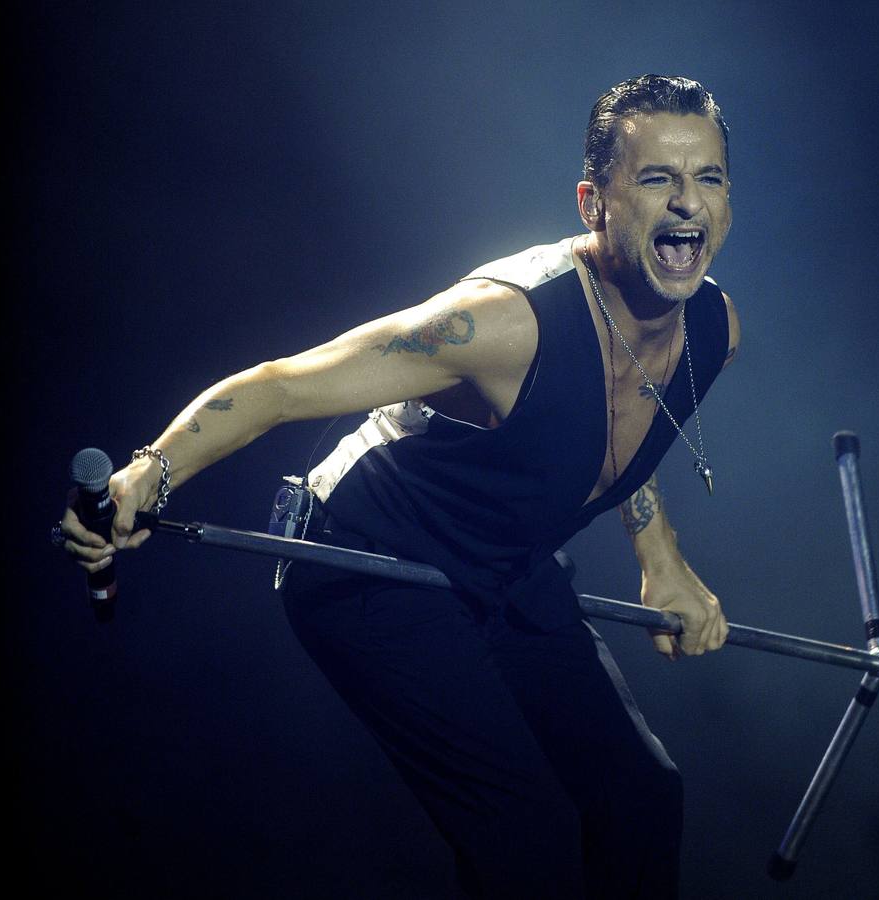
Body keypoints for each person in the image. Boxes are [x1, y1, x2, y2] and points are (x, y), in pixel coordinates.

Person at [57, 74, 740, 898]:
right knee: (524, 842)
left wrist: (658, 555)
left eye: (706, 177)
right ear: (594, 202)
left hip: (502, 562)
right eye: (656, 179)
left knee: (640, 800)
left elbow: (609, 429)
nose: (687, 205)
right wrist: (148, 474)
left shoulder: (711, 330)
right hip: (366, 561)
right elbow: (281, 385)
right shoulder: (503, 320)